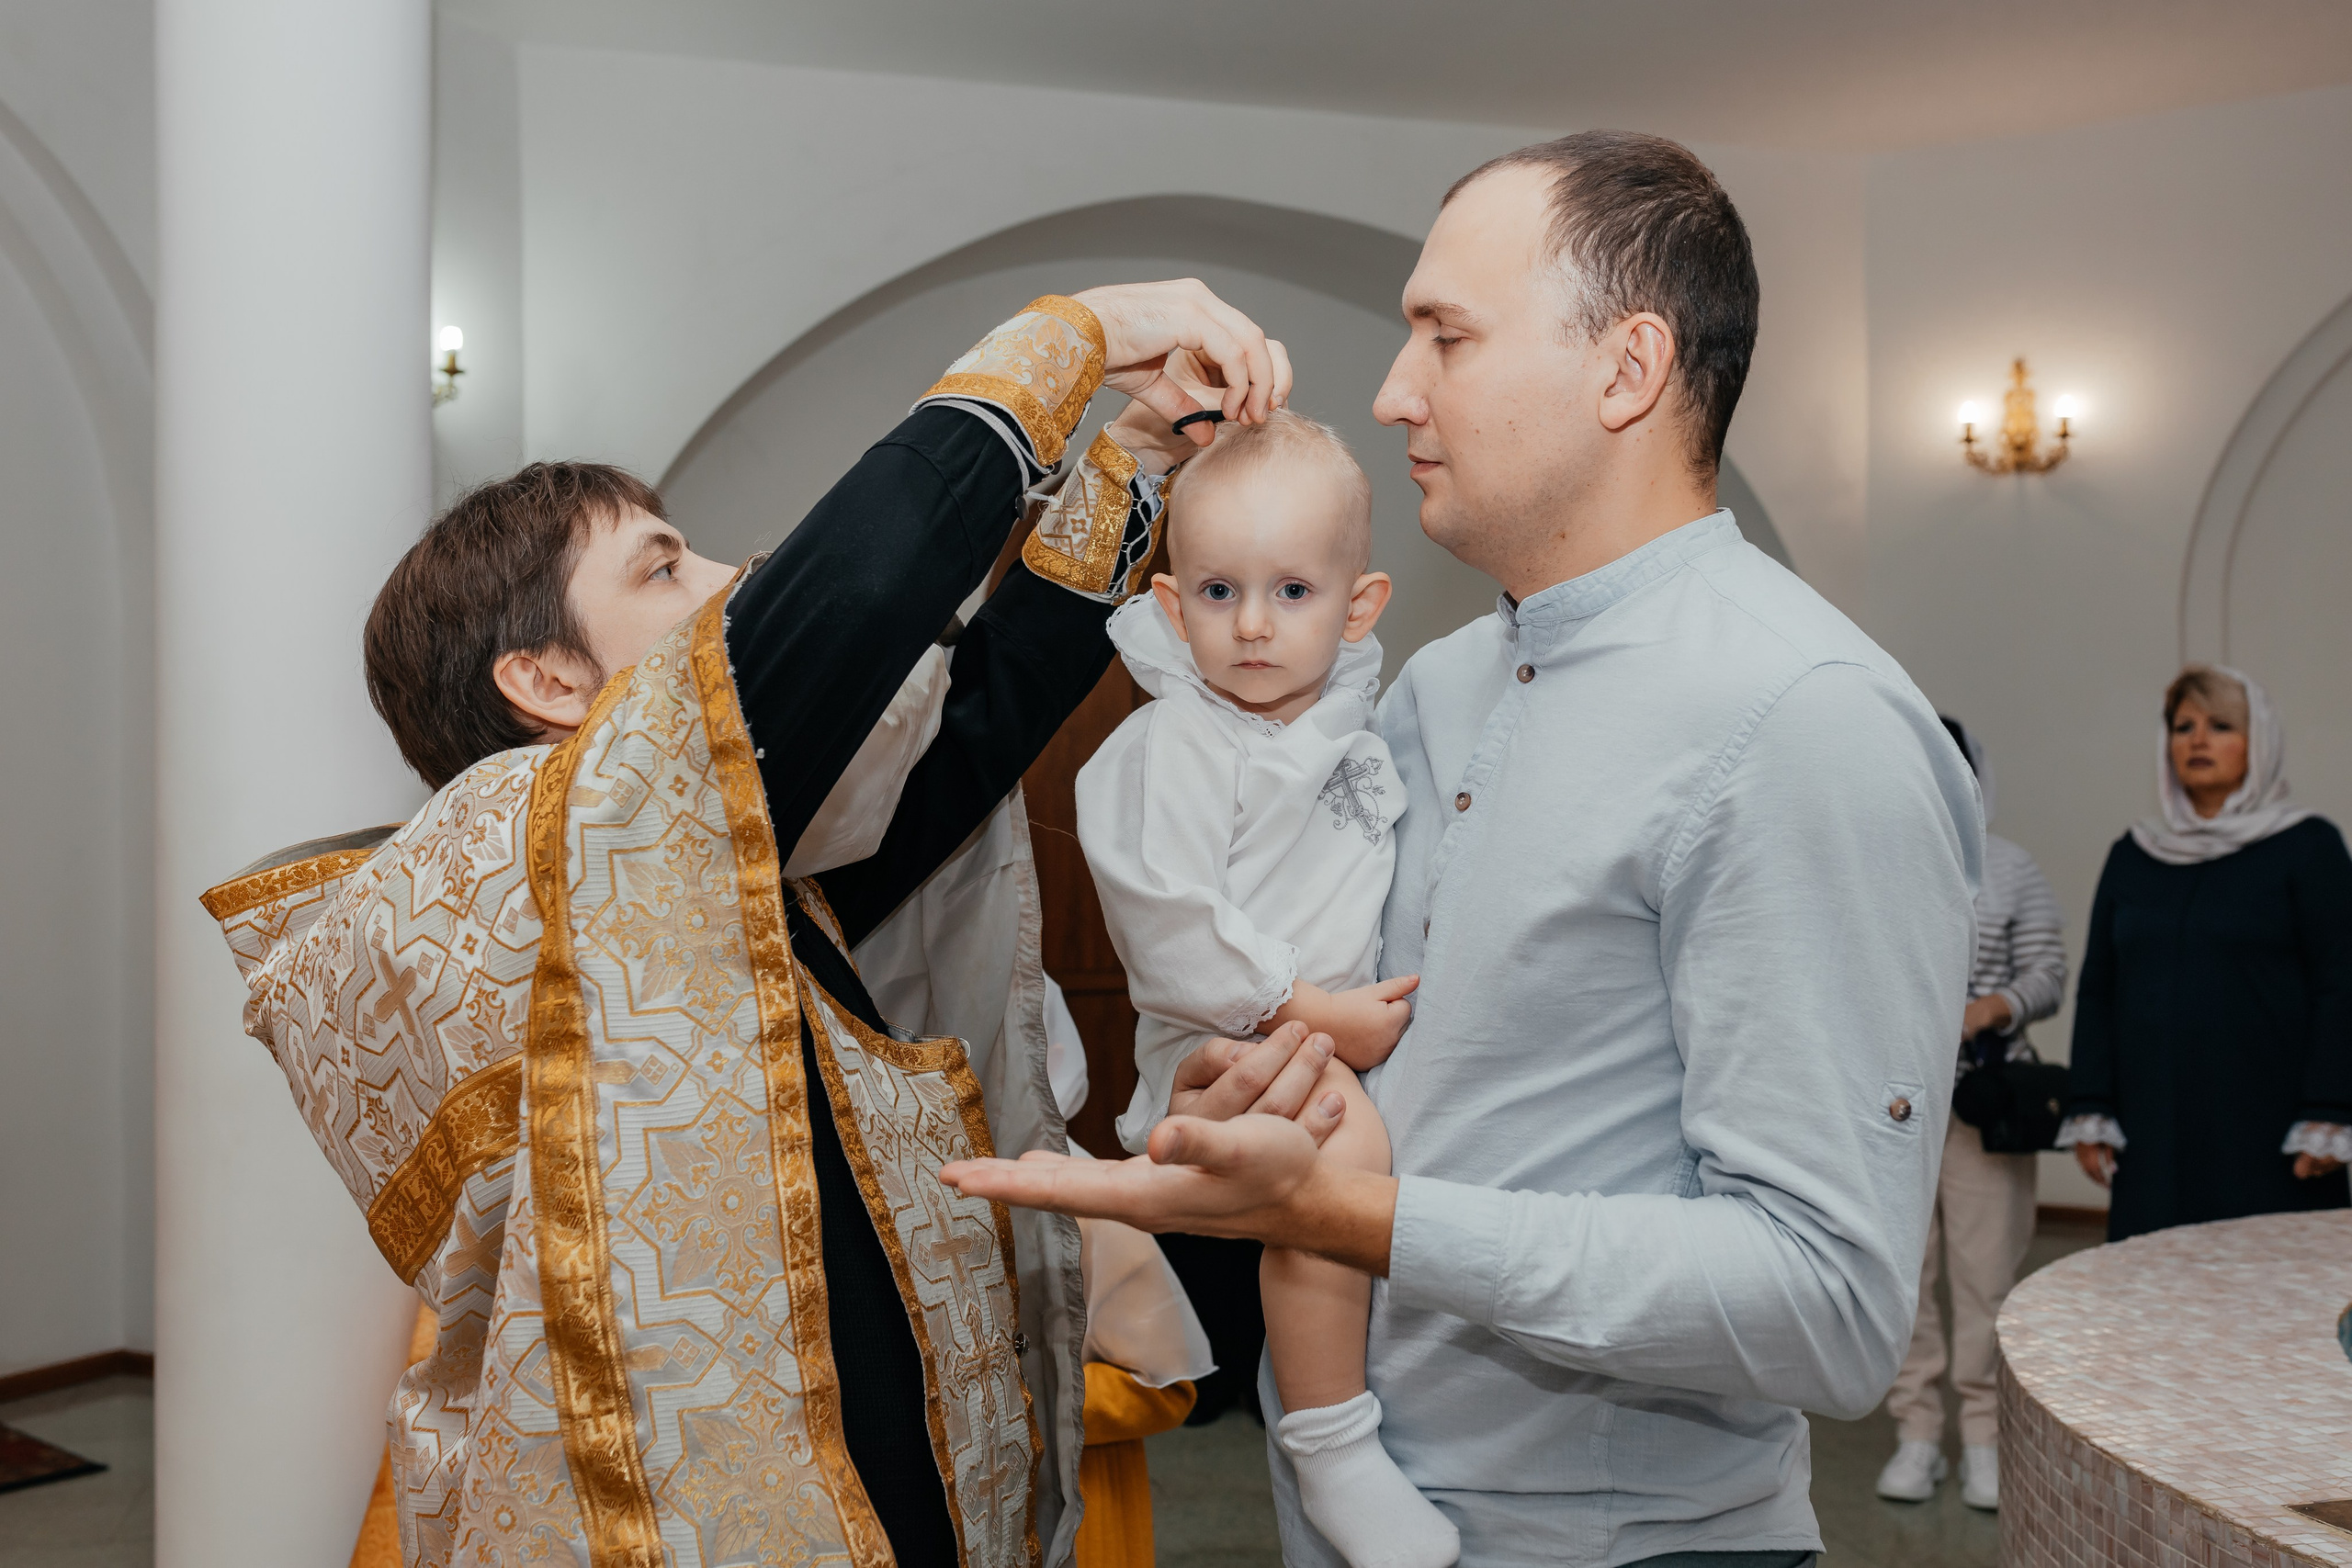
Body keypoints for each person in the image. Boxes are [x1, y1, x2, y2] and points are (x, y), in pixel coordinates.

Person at [947, 131, 1980, 1567]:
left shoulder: (1805, 721)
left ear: (1625, 369)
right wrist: (1266, 1086)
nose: (1391, 390)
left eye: (1445, 335)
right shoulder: (1433, 685)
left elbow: (1827, 1306)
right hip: (1349, 1512)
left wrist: (1360, 1215)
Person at [200, 282, 1289, 1566]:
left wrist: (1140, 452)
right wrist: (1085, 328)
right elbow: (859, 585)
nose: (732, 579)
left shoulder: (712, 873)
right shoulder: (544, 864)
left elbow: (982, 723)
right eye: (665, 567)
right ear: (547, 681)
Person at [1075, 411, 1453, 1568]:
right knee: (1333, 1156)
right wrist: (1318, 1012)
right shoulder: (1175, 743)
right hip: (1231, 1045)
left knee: (1343, 1175)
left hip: (1328, 1037)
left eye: (1291, 592)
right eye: (1217, 591)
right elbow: (1167, 924)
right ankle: (1332, 1443)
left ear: (1359, 605)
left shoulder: (1353, 724)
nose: (1249, 626)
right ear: (1168, 601)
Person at [2060, 664, 2352, 1241]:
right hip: (2154, 1124)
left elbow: (2341, 983)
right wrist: (2091, 1106)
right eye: (2182, 725)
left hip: (2270, 1125)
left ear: (2259, 743)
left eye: (2220, 725)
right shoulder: (2136, 853)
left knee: (2267, 1300)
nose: (2196, 739)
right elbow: (2099, 987)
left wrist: (2330, 1109)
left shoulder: (2307, 846)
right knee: (2152, 1296)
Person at [1877, 717, 2067, 1512]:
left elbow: (2051, 973)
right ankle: (1916, 1435)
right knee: (1903, 1283)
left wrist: (1988, 1008)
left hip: (1986, 1107)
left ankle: (1986, 1440)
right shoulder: (1876, 862)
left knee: (1987, 1281)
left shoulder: (2014, 868)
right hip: (1890, 1113)